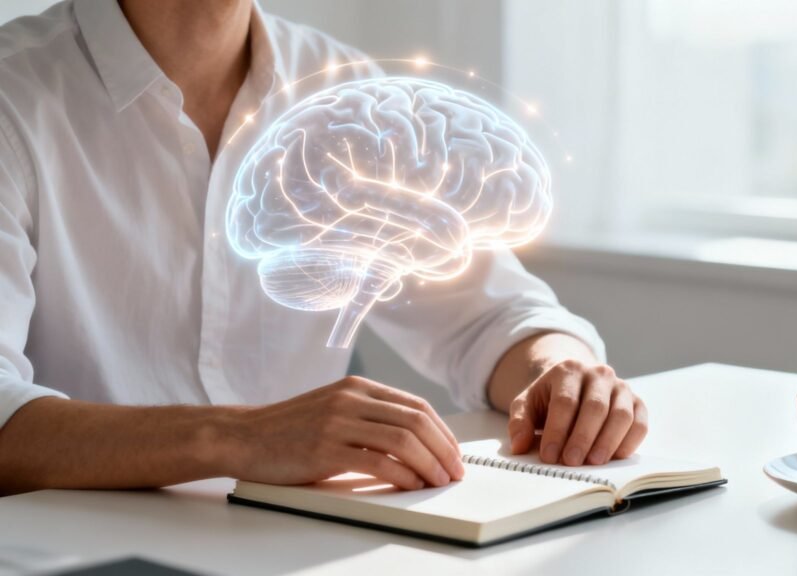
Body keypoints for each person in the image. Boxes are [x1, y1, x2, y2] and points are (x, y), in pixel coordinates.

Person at [0, 0, 647, 495]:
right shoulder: (15, 98)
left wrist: (562, 373)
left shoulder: (337, 85)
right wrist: (237, 438)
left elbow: (495, 318)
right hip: (76, 549)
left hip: (303, 544)